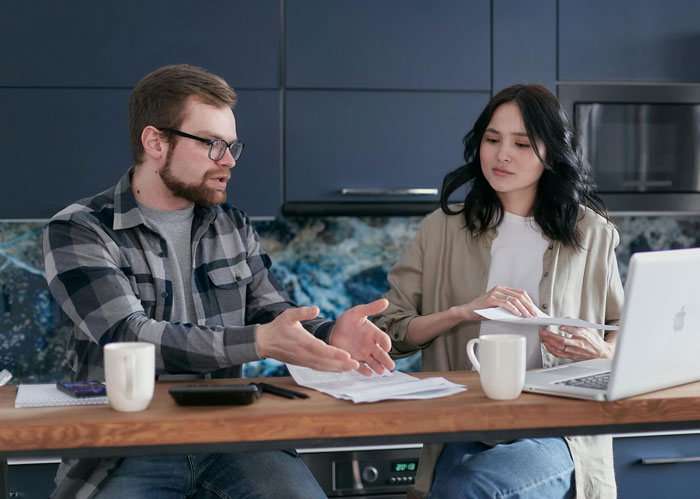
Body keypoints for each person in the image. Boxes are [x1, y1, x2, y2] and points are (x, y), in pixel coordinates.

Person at [43, 64, 395, 499]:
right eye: (212, 145)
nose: (228, 161)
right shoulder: (80, 230)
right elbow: (128, 335)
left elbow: (273, 315)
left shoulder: (232, 225)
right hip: (128, 445)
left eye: (231, 146)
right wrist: (261, 342)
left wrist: (329, 334)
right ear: (156, 142)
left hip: (233, 435)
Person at [373, 84, 623, 498]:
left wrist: (601, 351)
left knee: (472, 488)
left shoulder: (590, 232)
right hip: (464, 422)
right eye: (492, 139)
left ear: (551, 154)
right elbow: (390, 331)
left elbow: (626, 329)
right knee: (454, 487)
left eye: (522, 144)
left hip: (558, 426)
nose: (502, 154)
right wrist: (459, 313)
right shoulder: (442, 229)